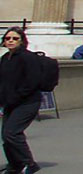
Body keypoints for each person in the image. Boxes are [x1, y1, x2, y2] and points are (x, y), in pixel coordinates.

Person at [1, 28, 42, 174]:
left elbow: (32, 82)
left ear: (22, 41)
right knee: (6, 135)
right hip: (10, 103)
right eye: (7, 38)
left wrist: (15, 97)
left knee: (12, 132)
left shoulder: (28, 57)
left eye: (15, 38)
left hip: (27, 102)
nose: (10, 41)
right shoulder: (5, 58)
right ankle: (15, 165)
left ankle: (29, 163)